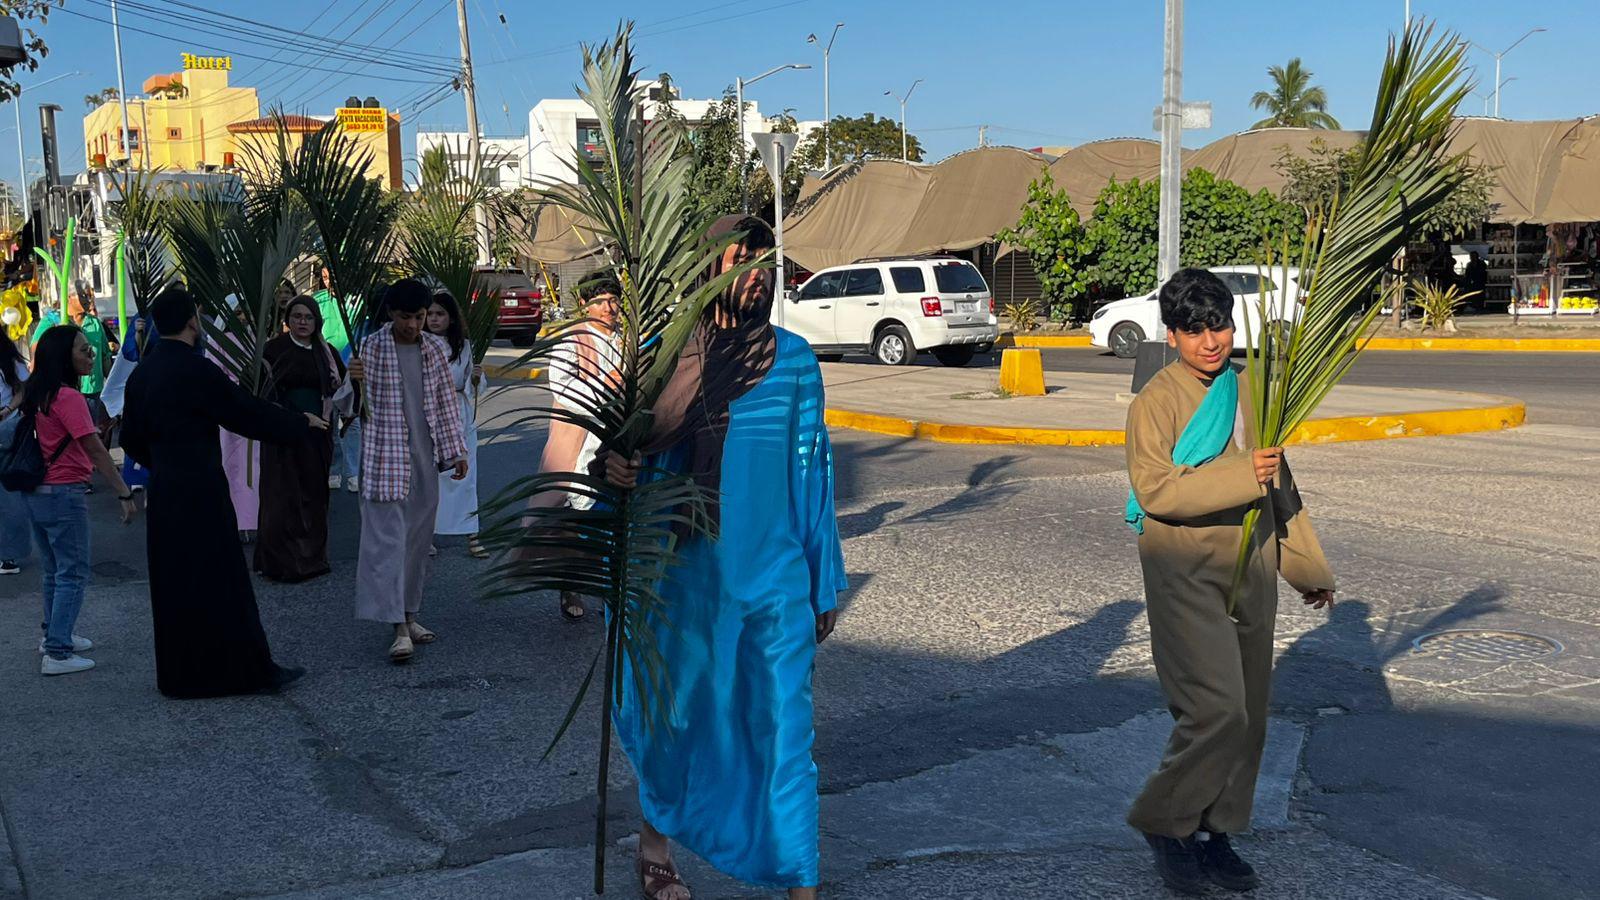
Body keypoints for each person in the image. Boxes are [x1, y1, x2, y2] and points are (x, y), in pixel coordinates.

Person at [602, 216, 845, 900]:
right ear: (709, 268)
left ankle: (801, 881)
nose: (758, 269)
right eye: (742, 256)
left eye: (767, 257)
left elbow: (812, 473)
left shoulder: (795, 360)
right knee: (674, 718)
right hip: (685, 581)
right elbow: (626, 453)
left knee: (786, 733)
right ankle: (656, 845)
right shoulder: (663, 355)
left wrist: (822, 580)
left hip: (774, 581)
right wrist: (614, 470)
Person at [1122, 268, 1336, 895]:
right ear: (1172, 334)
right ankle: (1166, 821)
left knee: (1251, 716)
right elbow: (1155, 489)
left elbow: (1281, 487)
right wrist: (1246, 473)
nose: (1210, 341)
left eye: (1218, 326)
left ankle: (1217, 831)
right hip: (1185, 567)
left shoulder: (1250, 393)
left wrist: (1307, 570)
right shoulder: (1154, 401)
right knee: (1215, 709)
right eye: (1194, 331)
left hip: (1254, 565)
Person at [121, 288, 324, 698]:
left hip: (166, 490)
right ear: (193, 322)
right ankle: (248, 672)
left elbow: (130, 437)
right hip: (202, 488)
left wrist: (162, 462)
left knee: (175, 583)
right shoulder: (197, 370)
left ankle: (181, 678)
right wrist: (299, 424)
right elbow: (244, 412)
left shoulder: (143, 373)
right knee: (223, 580)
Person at [347, 279, 468, 663]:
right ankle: (397, 627)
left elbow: (446, 403)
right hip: (385, 458)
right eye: (406, 317)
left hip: (423, 458)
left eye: (419, 317)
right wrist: (353, 381)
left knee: (417, 544)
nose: (414, 325)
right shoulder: (369, 347)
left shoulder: (434, 348)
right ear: (390, 314)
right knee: (387, 544)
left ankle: (410, 615)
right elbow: (349, 407)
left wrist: (456, 451)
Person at [19, 325, 139, 676]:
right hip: (63, 492)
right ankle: (58, 651)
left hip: (37, 491)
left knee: (54, 570)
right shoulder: (68, 398)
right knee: (72, 571)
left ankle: (54, 634)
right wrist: (123, 491)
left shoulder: (35, 393)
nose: (92, 356)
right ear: (63, 357)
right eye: (84, 350)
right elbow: (96, 450)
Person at [539, 273, 622, 620]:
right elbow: (563, 385)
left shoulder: (628, 339)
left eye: (613, 299)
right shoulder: (571, 341)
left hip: (619, 439)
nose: (608, 307)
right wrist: (607, 395)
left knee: (614, 515)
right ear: (585, 305)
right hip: (582, 439)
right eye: (599, 301)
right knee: (577, 511)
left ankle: (610, 587)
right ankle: (569, 585)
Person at [254, 296, 351, 582]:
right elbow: (264, 392)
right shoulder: (273, 350)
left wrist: (356, 380)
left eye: (308, 317)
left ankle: (312, 559)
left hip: (318, 434)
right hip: (282, 432)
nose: (302, 322)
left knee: (314, 495)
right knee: (281, 496)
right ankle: (280, 563)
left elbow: (343, 390)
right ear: (288, 320)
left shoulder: (327, 352)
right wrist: (296, 417)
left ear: (317, 321)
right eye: (297, 316)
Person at [425, 291, 489, 557]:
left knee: (465, 476)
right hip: (429, 415)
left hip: (459, 415)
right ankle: (425, 533)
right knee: (429, 477)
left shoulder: (463, 346)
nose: (434, 319)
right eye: (430, 314)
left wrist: (476, 378)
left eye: (440, 314)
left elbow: (474, 388)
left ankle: (472, 535)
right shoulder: (419, 344)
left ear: (451, 318)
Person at [0, 334, 32, 575]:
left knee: (9, 495)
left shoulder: (9, 360)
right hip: (8, 425)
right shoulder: (11, 360)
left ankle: (9, 555)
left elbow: (23, 389)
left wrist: (7, 409)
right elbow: (23, 388)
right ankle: (8, 555)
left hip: (7, 429)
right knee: (9, 495)